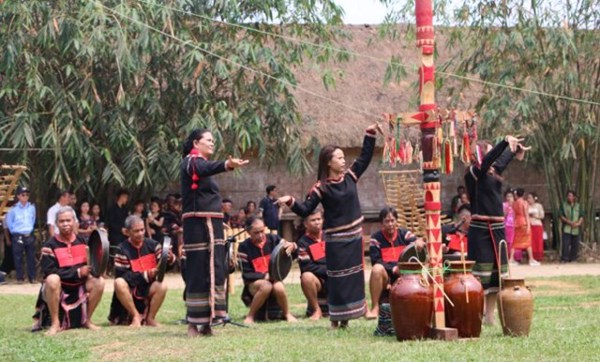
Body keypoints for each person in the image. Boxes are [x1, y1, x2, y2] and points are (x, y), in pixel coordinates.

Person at [278, 123, 383, 328]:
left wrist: (369, 134)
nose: (344, 161)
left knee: (353, 276)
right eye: (340, 158)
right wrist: (290, 200)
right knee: (337, 278)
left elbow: (365, 157)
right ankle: (336, 318)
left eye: (344, 157)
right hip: (335, 241)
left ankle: (352, 314)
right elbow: (306, 210)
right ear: (328, 162)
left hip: (353, 238)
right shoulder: (321, 188)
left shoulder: (351, 177)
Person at [180, 128, 248, 336]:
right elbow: (203, 168)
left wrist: (220, 221)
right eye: (208, 140)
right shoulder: (191, 162)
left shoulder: (200, 165)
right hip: (199, 226)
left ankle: (208, 321)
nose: (212, 143)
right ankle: (193, 322)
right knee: (198, 270)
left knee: (216, 269)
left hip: (212, 224)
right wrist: (227, 165)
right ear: (195, 143)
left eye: (213, 140)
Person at [465, 136, 529, 325]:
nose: (495, 159)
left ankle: (489, 317)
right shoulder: (473, 172)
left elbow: (500, 161)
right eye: (491, 151)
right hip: (481, 230)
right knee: (480, 277)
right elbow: (490, 160)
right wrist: (503, 142)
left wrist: (514, 149)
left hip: (497, 228)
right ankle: (476, 314)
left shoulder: (493, 171)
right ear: (483, 154)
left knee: (495, 278)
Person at [33, 206, 105, 335]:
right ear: (56, 224)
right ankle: (55, 323)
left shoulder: (82, 241)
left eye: (68, 220)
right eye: (62, 221)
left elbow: (89, 265)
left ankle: (86, 320)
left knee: (99, 282)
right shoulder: (49, 246)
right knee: (52, 279)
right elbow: (50, 271)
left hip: (79, 285)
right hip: (60, 286)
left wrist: (95, 268)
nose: (65, 224)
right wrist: (77, 272)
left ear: (74, 222)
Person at [108, 215, 175, 327]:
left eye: (142, 230)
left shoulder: (153, 245)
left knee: (162, 285)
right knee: (119, 283)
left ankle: (150, 318)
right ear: (127, 232)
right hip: (130, 292)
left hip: (147, 289)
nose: (140, 233)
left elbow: (163, 268)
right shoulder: (121, 249)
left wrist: (170, 258)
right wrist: (146, 274)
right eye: (136, 231)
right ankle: (135, 316)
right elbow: (122, 275)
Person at [366, 207, 425, 319]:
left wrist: (418, 242)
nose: (390, 224)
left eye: (392, 220)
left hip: (404, 275)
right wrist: (393, 269)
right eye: (387, 221)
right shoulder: (376, 239)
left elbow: (417, 241)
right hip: (387, 276)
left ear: (396, 221)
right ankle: (375, 308)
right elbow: (375, 260)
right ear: (381, 223)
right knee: (377, 269)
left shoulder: (404, 234)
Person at [238, 216, 297, 324]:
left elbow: (289, 254)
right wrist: (265, 276)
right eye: (256, 232)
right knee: (266, 286)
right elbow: (246, 274)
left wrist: (293, 246)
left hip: (274, 279)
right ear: (248, 232)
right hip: (255, 283)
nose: (260, 235)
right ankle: (250, 316)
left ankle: (287, 314)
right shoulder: (243, 247)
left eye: (262, 231)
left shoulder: (274, 239)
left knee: (279, 287)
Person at [296, 210, 328, 320]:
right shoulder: (303, 243)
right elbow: (307, 266)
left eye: (319, 219)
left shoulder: (330, 236)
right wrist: (327, 271)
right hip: (319, 279)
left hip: (335, 276)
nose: (317, 222)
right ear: (305, 224)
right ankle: (316, 310)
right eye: (313, 220)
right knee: (306, 277)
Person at [5, 186, 37, 284]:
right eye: (23, 195)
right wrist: (14, 231)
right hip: (17, 235)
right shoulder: (13, 209)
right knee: (18, 257)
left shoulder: (32, 208)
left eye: (27, 194)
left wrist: (29, 230)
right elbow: (9, 223)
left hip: (28, 235)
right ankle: (20, 278)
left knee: (31, 257)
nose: (25, 196)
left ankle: (32, 278)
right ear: (18, 196)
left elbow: (33, 220)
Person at [510, 188, 540, 266]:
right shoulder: (524, 202)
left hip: (517, 223)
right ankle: (531, 259)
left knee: (515, 242)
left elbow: (514, 214)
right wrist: (528, 226)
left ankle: (511, 259)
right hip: (523, 222)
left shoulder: (514, 203)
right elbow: (526, 214)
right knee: (528, 242)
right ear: (523, 194)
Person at [560, 190, 584, 263]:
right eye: (568, 196)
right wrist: (569, 222)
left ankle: (573, 258)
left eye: (570, 196)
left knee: (575, 244)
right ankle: (565, 258)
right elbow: (561, 215)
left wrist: (578, 223)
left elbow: (582, 215)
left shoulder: (578, 206)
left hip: (576, 228)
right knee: (566, 244)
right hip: (567, 228)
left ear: (574, 197)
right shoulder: (564, 205)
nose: (569, 197)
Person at [527, 192, 545, 262]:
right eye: (528, 198)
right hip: (530, 224)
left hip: (537, 224)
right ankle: (532, 257)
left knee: (538, 241)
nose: (529, 199)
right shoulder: (527, 206)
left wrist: (535, 216)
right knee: (531, 241)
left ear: (534, 198)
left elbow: (542, 216)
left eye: (530, 198)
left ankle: (539, 256)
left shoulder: (538, 206)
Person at [502, 190, 516, 257]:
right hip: (505, 225)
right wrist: (506, 210)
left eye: (510, 196)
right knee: (506, 241)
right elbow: (503, 215)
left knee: (513, 241)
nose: (509, 198)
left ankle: (513, 256)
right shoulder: (503, 205)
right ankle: (506, 256)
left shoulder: (516, 205)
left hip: (514, 225)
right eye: (507, 196)